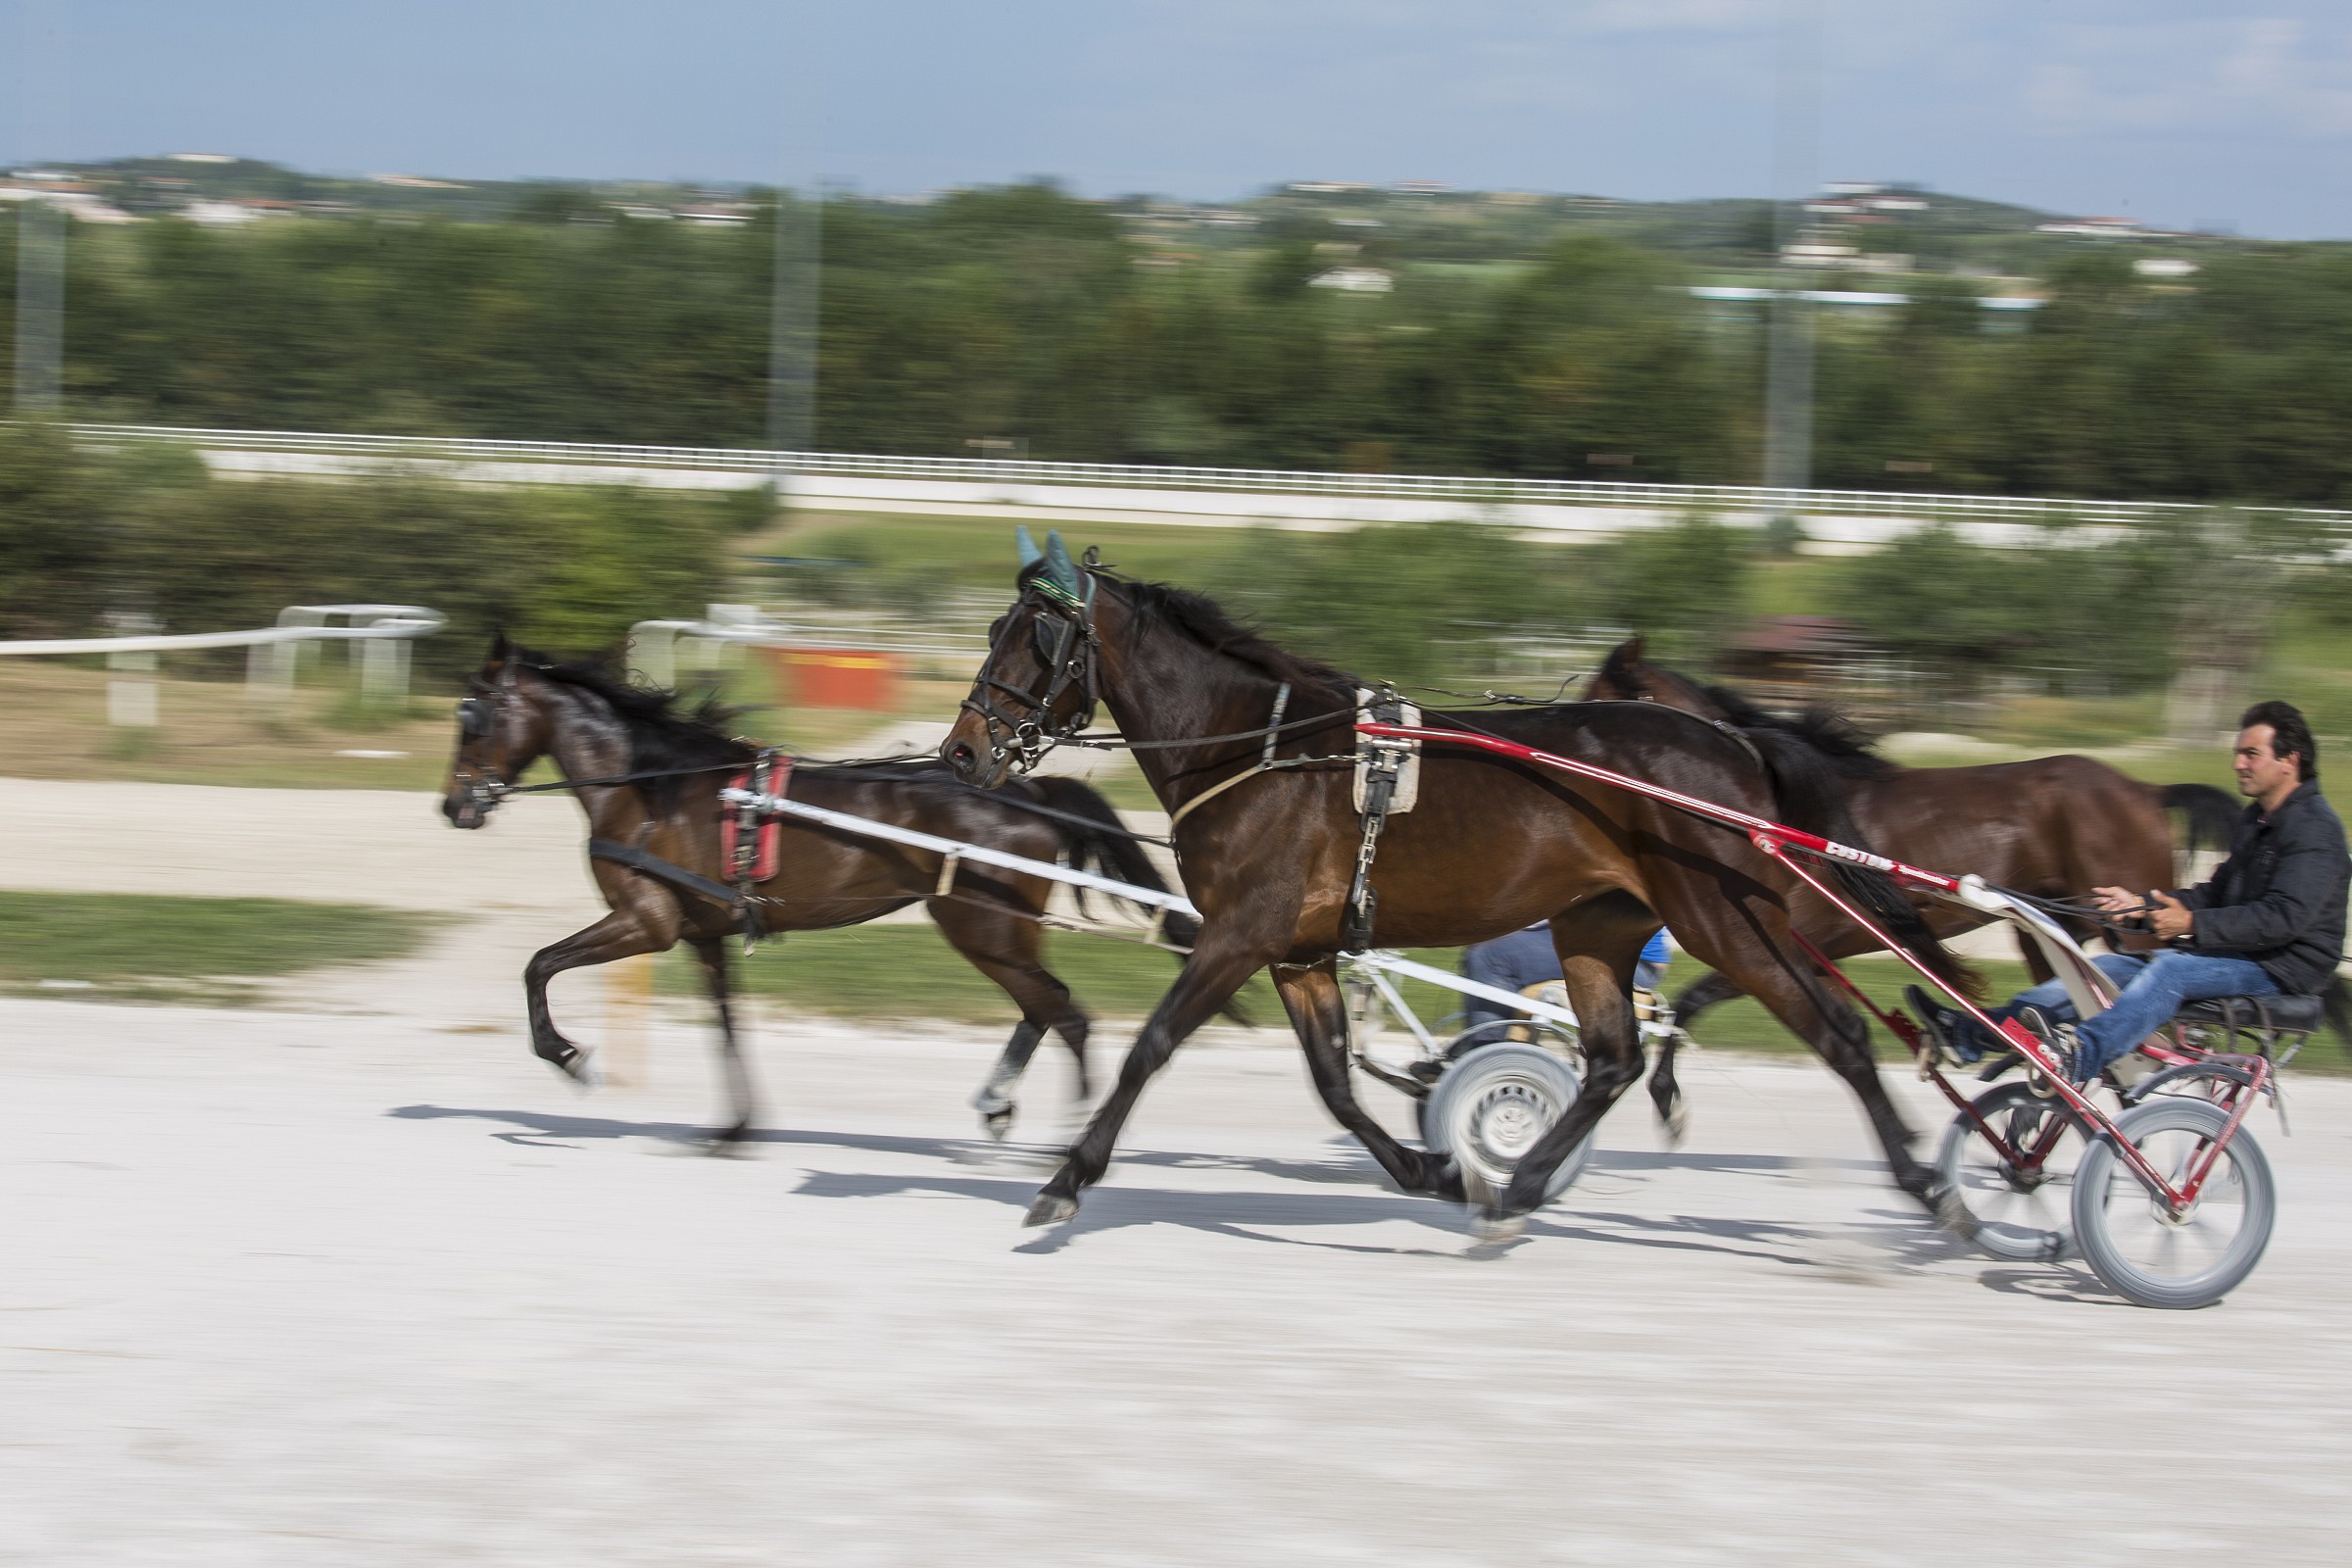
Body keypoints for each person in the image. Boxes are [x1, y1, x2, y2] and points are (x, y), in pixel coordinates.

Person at [1911, 701, 2349, 1084]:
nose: (2238, 763)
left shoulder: (2314, 831)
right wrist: (2143, 906)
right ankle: (1970, 1033)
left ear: (2289, 760)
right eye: (2238, 753)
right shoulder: (2259, 822)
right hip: (2245, 952)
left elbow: (2282, 919)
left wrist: (2192, 924)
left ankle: (2082, 1056)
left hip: (2281, 968)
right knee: (2099, 969)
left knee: (2170, 973)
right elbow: (2216, 892)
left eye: (2251, 754)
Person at [1462, 923, 1670, 1032]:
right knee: (1492, 949)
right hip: (1604, 946)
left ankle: (1485, 1055)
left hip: (1628, 960)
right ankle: (1487, 1052)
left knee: (1491, 956)